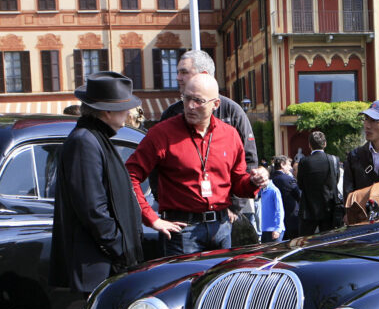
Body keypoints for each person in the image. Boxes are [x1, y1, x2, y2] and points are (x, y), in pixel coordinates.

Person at [125, 73, 268, 256]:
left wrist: (255, 181)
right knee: (185, 284)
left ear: (215, 104)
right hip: (182, 230)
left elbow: (239, 184)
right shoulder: (162, 133)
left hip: (221, 227)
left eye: (199, 101)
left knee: (220, 284)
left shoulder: (230, 135)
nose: (191, 106)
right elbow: (130, 174)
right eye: (187, 98)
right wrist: (151, 218)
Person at [49, 72, 144, 293]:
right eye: (124, 107)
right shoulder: (85, 141)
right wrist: (118, 246)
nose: (128, 113)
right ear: (107, 111)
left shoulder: (94, 138)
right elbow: (93, 208)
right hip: (98, 265)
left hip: (104, 262)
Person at [297, 131, 342, 234]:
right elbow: (336, 181)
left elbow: (300, 184)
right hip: (329, 207)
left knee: (305, 243)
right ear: (325, 143)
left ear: (309, 145)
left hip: (308, 209)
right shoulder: (334, 159)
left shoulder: (304, 161)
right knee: (328, 242)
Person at [270, 155, 302, 239]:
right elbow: (299, 195)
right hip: (290, 217)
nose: (290, 168)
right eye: (288, 165)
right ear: (282, 165)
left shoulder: (270, 178)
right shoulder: (288, 179)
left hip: (274, 219)